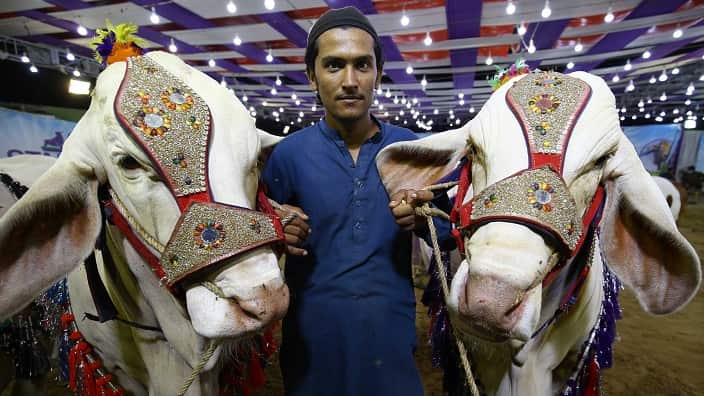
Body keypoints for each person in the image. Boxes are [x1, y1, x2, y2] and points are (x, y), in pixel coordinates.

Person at [263, 6, 454, 395]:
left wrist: (423, 220)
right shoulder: (288, 155)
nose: (349, 81)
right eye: (334, 66)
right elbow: (257, 236)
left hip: (390, 330)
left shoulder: (412, 149)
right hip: (312, 337)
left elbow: (450, 231)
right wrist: (275, 227)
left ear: (378, 74)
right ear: (312, 77)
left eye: (362, 65)